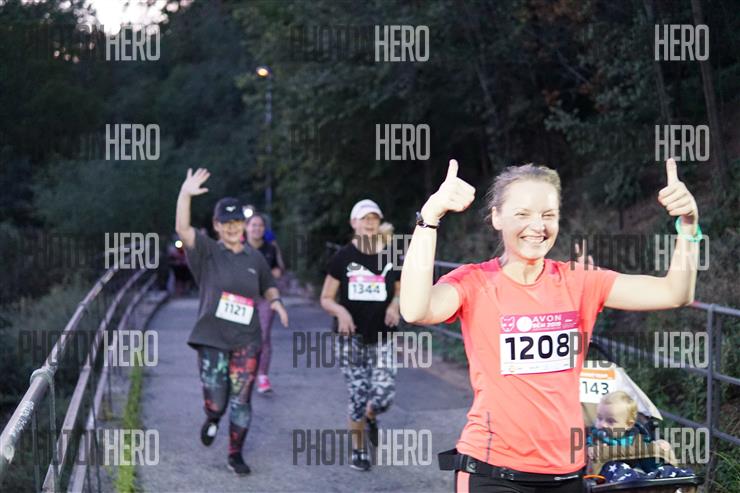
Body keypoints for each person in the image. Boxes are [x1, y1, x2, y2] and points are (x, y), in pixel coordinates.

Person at [400, 158, 700, 492]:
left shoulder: (580, 281)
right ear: (496, 217)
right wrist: (429, 219)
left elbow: (675, 293)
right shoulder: (474, 282)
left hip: (567, 473)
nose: (537, 226)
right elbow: (414, 309)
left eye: (548, 215)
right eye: (522, 214)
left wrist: (688, 226)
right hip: (492, 473)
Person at [175, 168, 289, 475]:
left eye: (236, 222)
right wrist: (185, 194)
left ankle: (235, 454)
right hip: (211, 339)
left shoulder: (255, 258)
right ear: (216, 225)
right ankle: (212, 417)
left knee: (242, 399)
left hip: (246, 341)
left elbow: (268, 284)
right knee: (218, 401)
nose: (231, 227)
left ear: (243, 225)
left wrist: (276, 302)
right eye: (225, 223)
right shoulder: (207, 252)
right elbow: (183, 229)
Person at [319, 199, 401, 471]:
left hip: (383, 336)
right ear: (354, 223)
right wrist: (340, 312)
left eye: (374, 218)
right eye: (364, 218)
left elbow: (401, 289)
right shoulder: (342, 258)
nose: (369, 223)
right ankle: (359, 449)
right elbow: (326, 298)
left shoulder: (390, 255)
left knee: (383, 396)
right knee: (358, 394)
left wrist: (394, 304)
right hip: (350, 339)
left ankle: (371, 414)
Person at [587, 391, 693, 483]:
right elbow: (587, 445)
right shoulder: (596, 436)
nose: (602, 424)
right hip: (615, 476)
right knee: (620, 469)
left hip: (642, 476)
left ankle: (678, 482)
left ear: (628, 425)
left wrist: (657, 447)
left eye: (610, 421)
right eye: (599, 418)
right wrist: (591, 448)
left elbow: (649, 465)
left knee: (666, 471)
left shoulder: (639, 437)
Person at [244, 212, 286, 393]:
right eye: (253, 225)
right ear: (246, 227)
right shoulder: (239, 248)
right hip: (243, 298)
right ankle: (245, 372)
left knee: (263, 335)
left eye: (260, 225)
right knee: (242, 335)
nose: (257, 229)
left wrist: (275, 272)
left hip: (265, 297)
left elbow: (278, 269)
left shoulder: (270, 248)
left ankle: (262, 375)